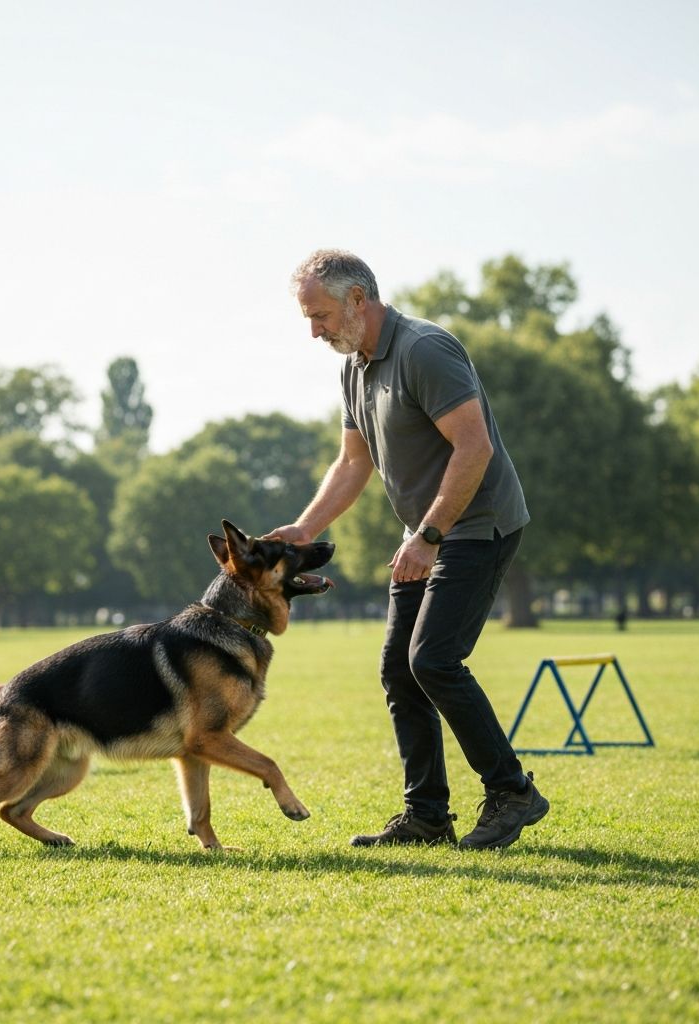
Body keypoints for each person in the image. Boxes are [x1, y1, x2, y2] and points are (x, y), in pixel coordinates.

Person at [265, 249, 548, 850]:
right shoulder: (356, 368)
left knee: (433, 661)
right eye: (308, 319)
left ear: (358, 302)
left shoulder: (424, 350)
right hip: (425, 531)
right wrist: (305, 527)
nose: (313, 331)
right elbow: (352, 461)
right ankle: (426, 817)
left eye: (319, 316)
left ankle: (512, 792)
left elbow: (474, 449)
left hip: (477, 523)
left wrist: (429, 535)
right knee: (400, 668)